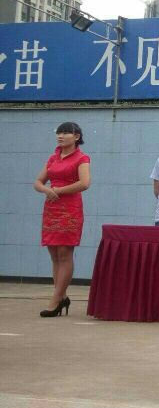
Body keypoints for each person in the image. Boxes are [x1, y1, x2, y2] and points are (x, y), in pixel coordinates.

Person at [33, 122, 90, 318]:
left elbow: (84, 183)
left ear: (76, 137)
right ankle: (62, 296)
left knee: (65, 253)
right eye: (59, 133)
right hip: (52, 207)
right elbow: (38, 181)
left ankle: (55, 300)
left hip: (70, 208)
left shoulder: (82, 158)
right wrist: (47, 190)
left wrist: (59, 190)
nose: (61, 136)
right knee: (54, 254)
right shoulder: (53, 158)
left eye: (66, 133)